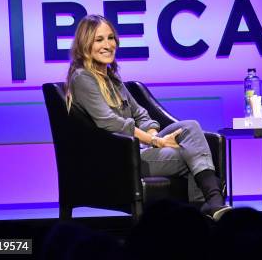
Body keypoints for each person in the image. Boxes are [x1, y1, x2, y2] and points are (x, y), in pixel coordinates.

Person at [65, 14, 230, 221]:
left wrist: (153, 137)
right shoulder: (83, 78)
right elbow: (110, 122)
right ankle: (209, 206)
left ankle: (210, 205)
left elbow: (141, 114)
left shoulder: (112, 79)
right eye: (99, 40)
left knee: (191, 127)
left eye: (111, 38)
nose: (108, 45)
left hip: (141, 149)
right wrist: (154, 140)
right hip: (119, 158)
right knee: (195, 156)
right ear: (85, 44)